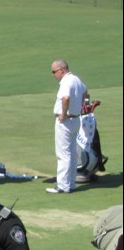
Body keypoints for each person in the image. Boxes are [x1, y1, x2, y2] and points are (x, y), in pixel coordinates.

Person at [46, 60, 88, 194]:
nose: (53, 75)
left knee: (63, 154)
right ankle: (71, 183)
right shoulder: (76, 79)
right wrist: (79, 108)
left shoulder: (66, 81)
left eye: (54, 72)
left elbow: (65, 98)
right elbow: (85, 92)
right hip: (75, 119)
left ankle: (63, 185)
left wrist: (63, 114)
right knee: (71, 153)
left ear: (61, 70)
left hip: (65, 121)